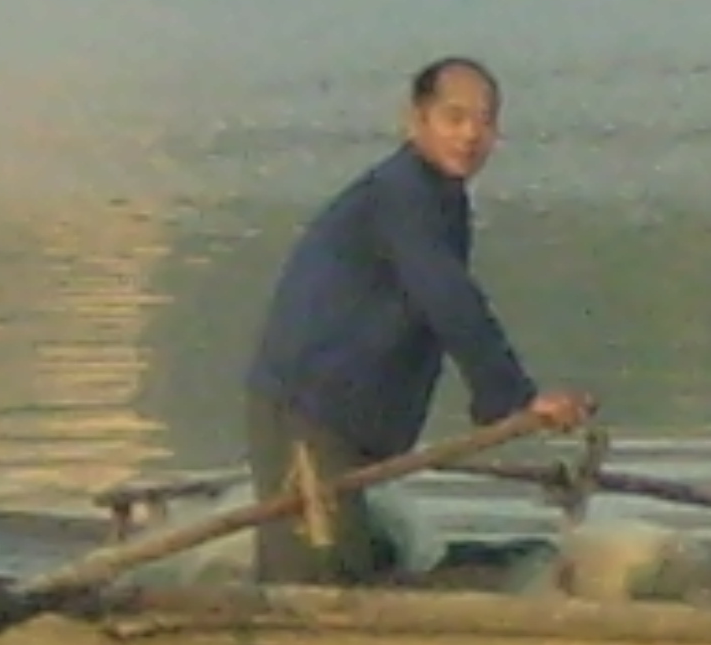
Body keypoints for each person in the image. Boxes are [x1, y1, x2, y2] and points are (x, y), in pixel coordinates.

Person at [246, 57, 594, 584]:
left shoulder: (441, 199)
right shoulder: (402, 195)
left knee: (353, 563)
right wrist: (512, 399)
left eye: (485, 122)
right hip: (306, 411)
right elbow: (450, 300)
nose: (471, 135)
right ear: (416, 121)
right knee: (315, 580)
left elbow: (444, 303)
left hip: (347, 421)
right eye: (454, 118)